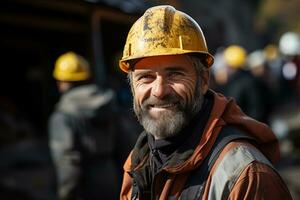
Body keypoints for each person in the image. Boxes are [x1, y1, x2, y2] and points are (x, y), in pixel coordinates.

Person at [118, 5, 292, 200]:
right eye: (146, 77)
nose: (159, 91)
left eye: (175, 74)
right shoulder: (138, 161)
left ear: (204, 81)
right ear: (132, 86)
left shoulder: (245, 176)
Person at [48, 52, 119, 200]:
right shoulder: (108, 104)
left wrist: (66, 194)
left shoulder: (62, 115)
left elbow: (67, 163)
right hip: (113, 178)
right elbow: (126, 144)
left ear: (61, 82)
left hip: (85, 186)